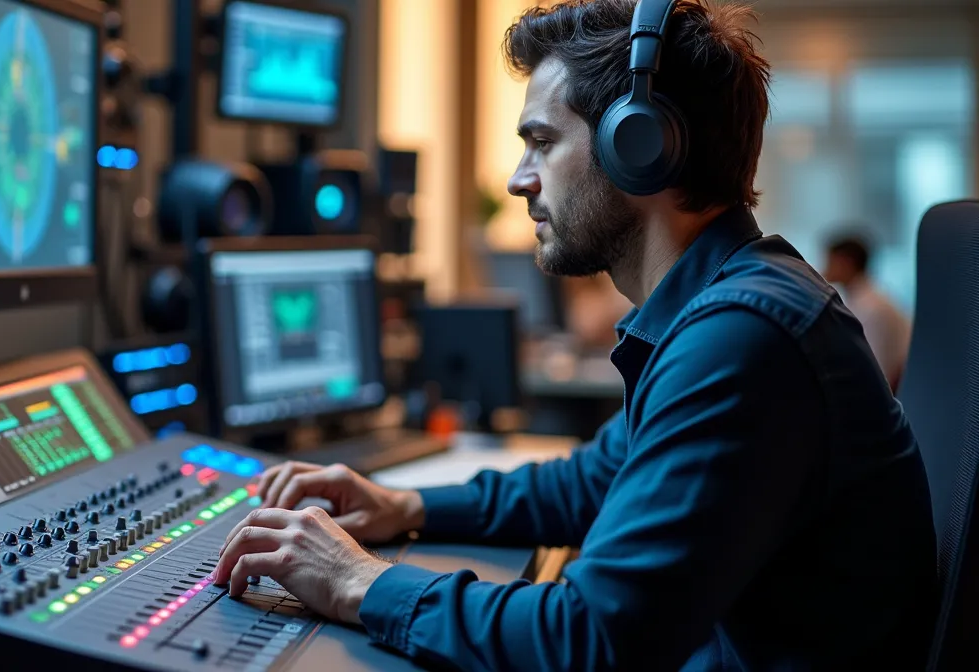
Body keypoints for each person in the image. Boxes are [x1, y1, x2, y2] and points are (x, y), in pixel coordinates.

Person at [212, 0, 937, 669]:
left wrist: (356, 582)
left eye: (540, 142)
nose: (518, 180)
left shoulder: (743, 337)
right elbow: (594, 477)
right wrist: (408, 506)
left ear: (639, 146)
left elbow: (590, 639)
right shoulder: (722, 308)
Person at [822, 234, 912, 390]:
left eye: (830, 261)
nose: (824, 268)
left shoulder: (870, 307)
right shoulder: (859, 300)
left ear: (846, 263)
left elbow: (876, 370)